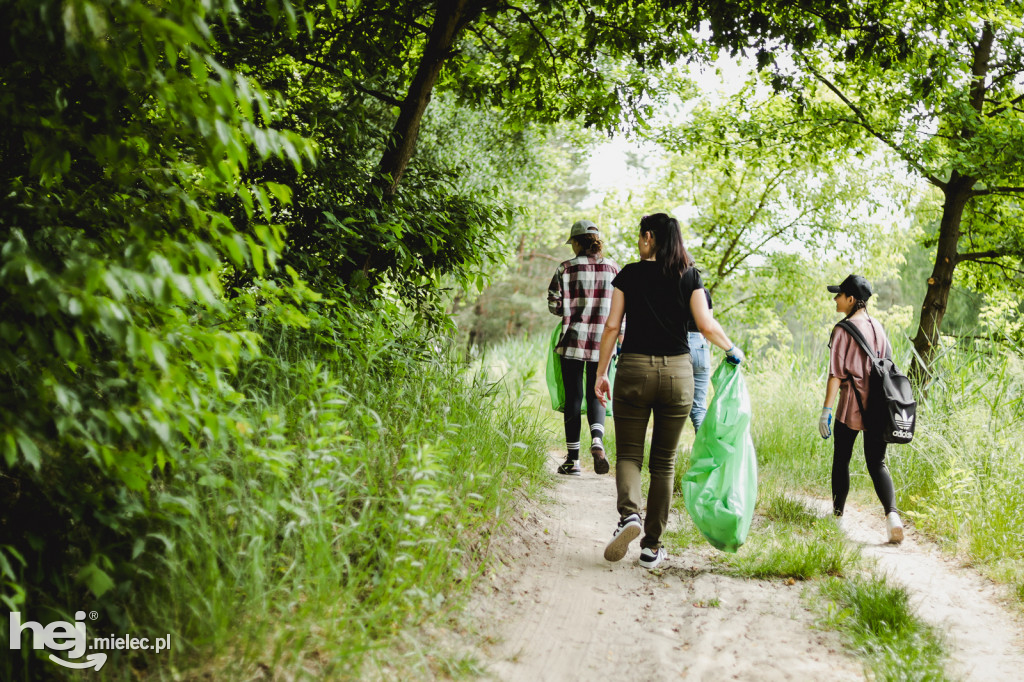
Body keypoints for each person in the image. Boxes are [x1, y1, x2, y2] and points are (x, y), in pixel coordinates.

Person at [594, 213, 743, 569]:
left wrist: (602, 373)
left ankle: (629, 515)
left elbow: (613, 325)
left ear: (649, 237)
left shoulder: (628, 274)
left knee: (629, 454)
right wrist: (732, 349)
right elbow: (705, 325)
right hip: (678, 374)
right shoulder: (689, 275)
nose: (638, 242)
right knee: (664, 462)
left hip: (633, 370)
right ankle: (651, 546)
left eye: (640, 236)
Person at [819, 274, 904, 544]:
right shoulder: (878, 327)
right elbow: (888, 362)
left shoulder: (842, 330)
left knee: (841, 459)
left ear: (852, 300)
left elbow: (835, 375)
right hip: (880, 406)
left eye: (839, 294)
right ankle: (893, 518)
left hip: (852, 407)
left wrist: (826, 411)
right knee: (877, 462)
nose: (835, 299)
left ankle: (837, 519)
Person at [547, 219, 621, 477]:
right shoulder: (614, 268)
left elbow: (554, 304)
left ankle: (573, 461)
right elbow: (623, 308)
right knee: (597, 392)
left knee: (573, 398)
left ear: (577, 242)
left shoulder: (566, 268)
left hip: (573, 340)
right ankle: (597, 440)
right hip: (605, 342)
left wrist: (570, 311)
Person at [687, 288, 713, 432]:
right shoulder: (704, 292)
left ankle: (670, 454)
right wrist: (705, 351)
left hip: (678, 345)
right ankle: (707, 451)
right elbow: (709, 326)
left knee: (672, 408)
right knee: (699, 407)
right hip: (700, 345)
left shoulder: (671, 288)